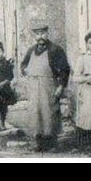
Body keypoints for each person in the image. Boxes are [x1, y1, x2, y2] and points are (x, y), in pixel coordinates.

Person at [20, 20, 71, 152]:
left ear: (47, 33)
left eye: (43, 33)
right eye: (37, 34)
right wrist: (25, 70)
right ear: (35, 36)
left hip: (49, 87)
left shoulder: (55, 50)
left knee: (50, 113)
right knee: (35, 114)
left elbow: (65, 69)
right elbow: (23, 64)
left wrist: (61, 86)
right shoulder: (31, 50)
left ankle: (52, 143)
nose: (40, 36)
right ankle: (39, 143)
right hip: (33, 88)